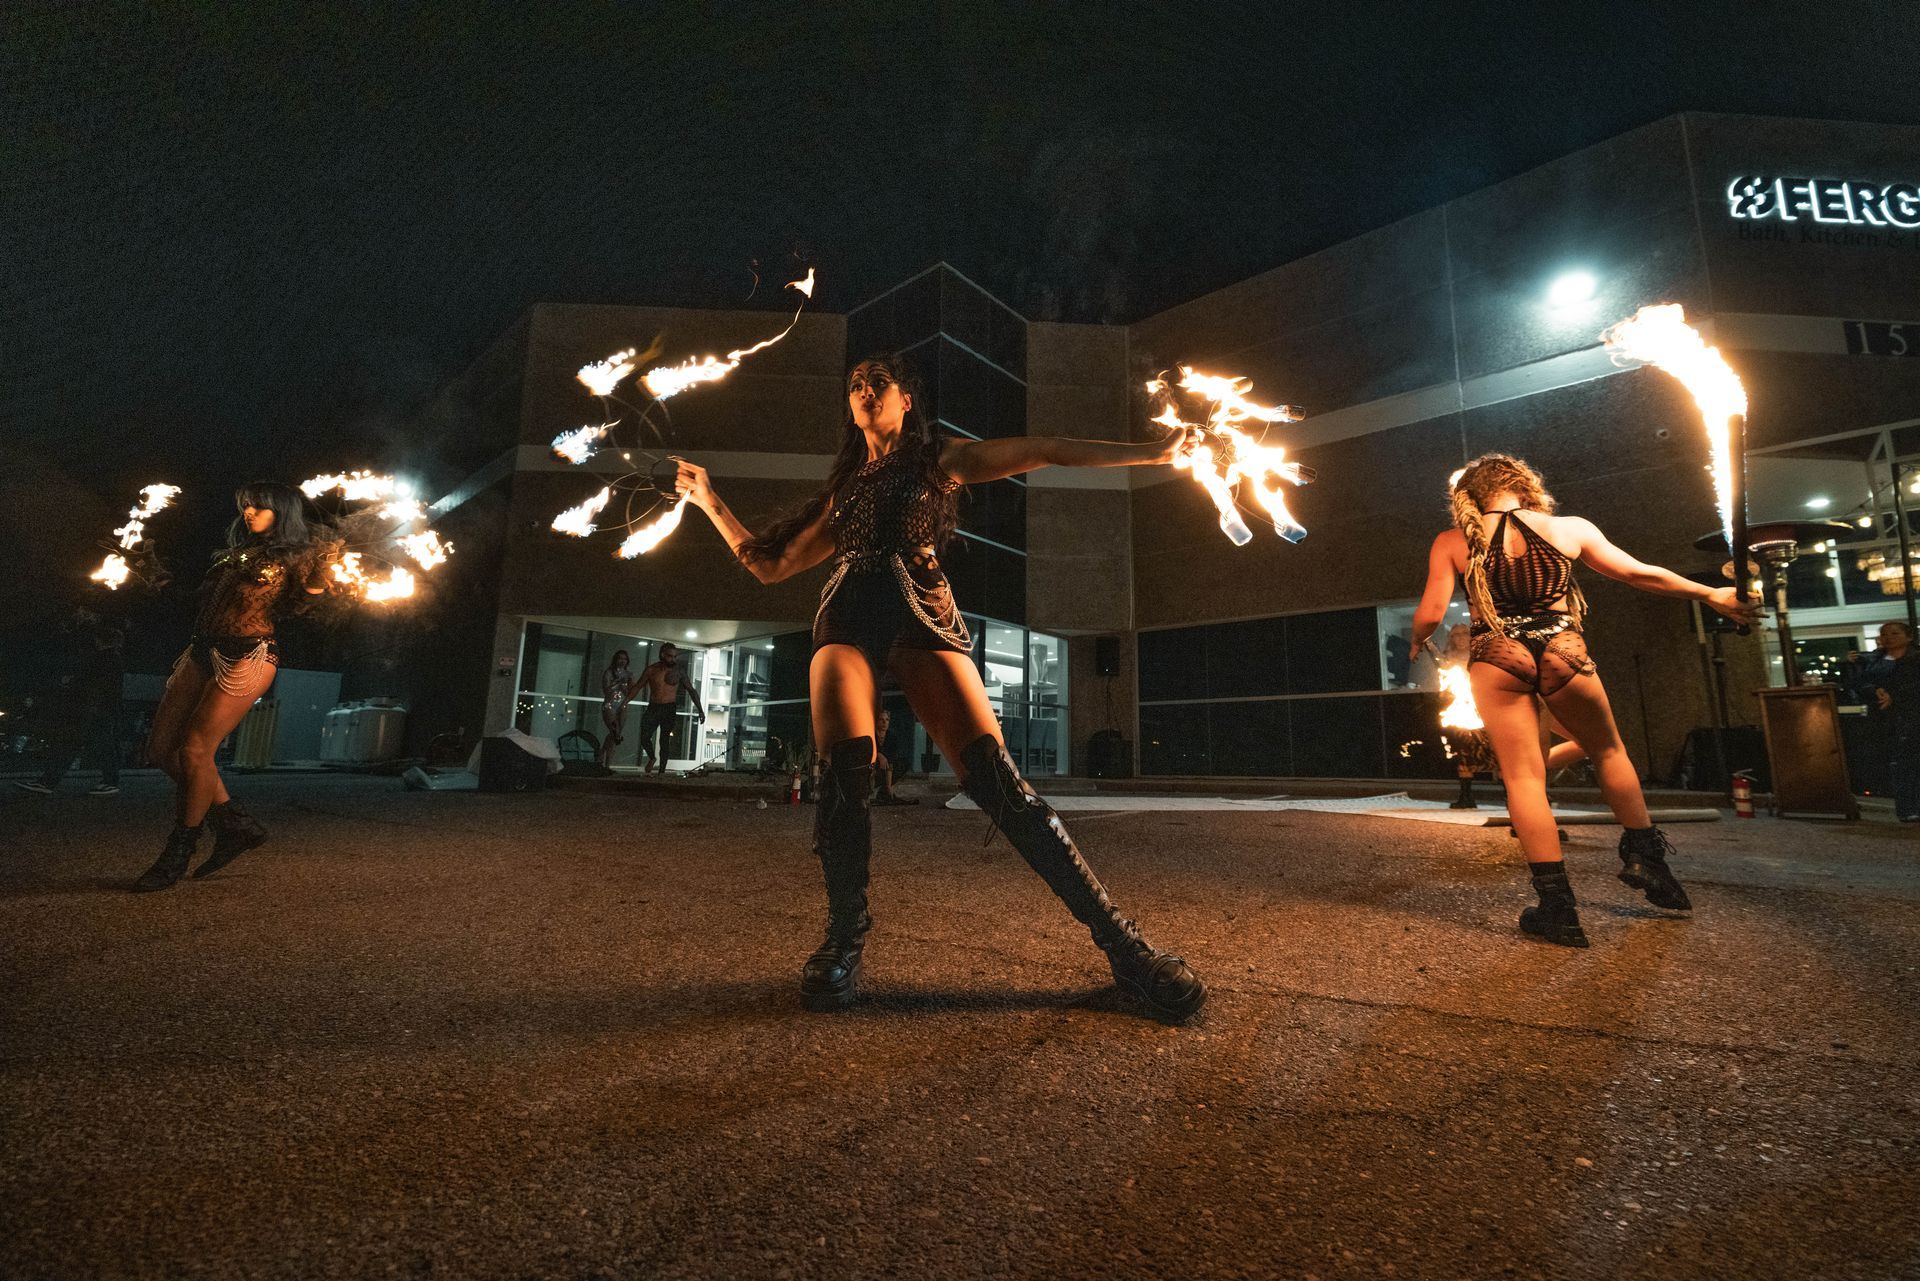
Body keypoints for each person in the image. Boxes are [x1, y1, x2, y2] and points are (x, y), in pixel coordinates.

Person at [673, 355, 1207, 1020]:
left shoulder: (938, 460)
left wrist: (1154, 452)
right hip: (846, 618)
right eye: (855, 384)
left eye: (879, 382)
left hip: (920, 614)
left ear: (905, 401)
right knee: (844, 774)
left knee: (999, 783)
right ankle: (844, 940)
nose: (865, 390)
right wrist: (706, 496)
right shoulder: (845, 490)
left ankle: (1127, 950)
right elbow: (770, 564)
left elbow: (1042, 449)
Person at [1410, 453, 1760, 947]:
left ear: (1467, 496)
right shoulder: (1569, 528)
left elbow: (1429, 613)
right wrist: (1710, 595)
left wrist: (1415, 640)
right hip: (1563, 648)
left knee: (1523, 778)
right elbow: (1639, 573)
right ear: (1525, 486)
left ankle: (1558, 908)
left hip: (1497, 654)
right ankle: (1645, 857)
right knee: (1610, 751)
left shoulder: (1453, 541)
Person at [135, 483, 331, 892]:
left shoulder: (299, 553)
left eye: (259, 505)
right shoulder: (231, 557)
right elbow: (195, 604)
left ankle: (178, 851)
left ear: (282, 510)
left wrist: (322, 569)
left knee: (194, 749)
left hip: (250, 652)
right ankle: (234, 823)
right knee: (160, 750)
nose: (249, 512)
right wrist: (153, 571)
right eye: (244, 505)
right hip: (202, 650)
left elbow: (305, 605)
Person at [14, 605, 127, 797]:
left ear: (100, 641)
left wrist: (73, 687)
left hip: (90, 709)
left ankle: (48, 781)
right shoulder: (113, 659)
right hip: (101, 710)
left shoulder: (103, 659)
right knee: (101, 746)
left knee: (70, 744)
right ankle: (109, 781)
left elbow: (92, 685)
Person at [1863, 621, 1920, 821]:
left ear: (1908, 637)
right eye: (1884, 634)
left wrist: (1894, 695)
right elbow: (1862, 682)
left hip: (1912, 715)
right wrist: (1874, 691)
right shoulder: (1876, 660)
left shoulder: (1915, 658)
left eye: (1895, 633)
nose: (1889, 638)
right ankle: (1906, 808)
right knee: (1899, 763)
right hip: (1886, 719)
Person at [634, 643, 704, 774]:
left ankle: (662, 770)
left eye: (675, 656)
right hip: (654, 706)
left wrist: (700, 709)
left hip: (669, 707)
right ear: (662, 655)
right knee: (644, 736)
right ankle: (652, 757)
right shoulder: (652, 670)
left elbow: (691, 690)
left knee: (664, 739)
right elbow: (638, 686)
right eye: (670, 656)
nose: (673, 659)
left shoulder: (678, 671)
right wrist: (625, 702)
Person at [871, 706, 916, 805]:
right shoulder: (871, 735)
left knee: (903, 763)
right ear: (876, 721)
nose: (884, 723)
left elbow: (890, 763)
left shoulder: (892, 737)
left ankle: (883, 792)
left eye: (887, 720)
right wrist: (878, 754)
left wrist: (888, 786)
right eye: (881, 720)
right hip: (871, 771)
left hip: (885, 770)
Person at [599, 649, 634, 767]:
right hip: (610, 704)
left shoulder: (629, 674)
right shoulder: (609, 672)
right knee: (615, 732)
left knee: (616, 733)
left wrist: (626, 687)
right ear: (615, 659)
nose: (622, 661)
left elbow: (632, 692)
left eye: (625, 659)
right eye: (620, 658)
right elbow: (606, 690)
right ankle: (607, 764)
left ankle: (602, 752)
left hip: (622, 705)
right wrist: (618, 683)